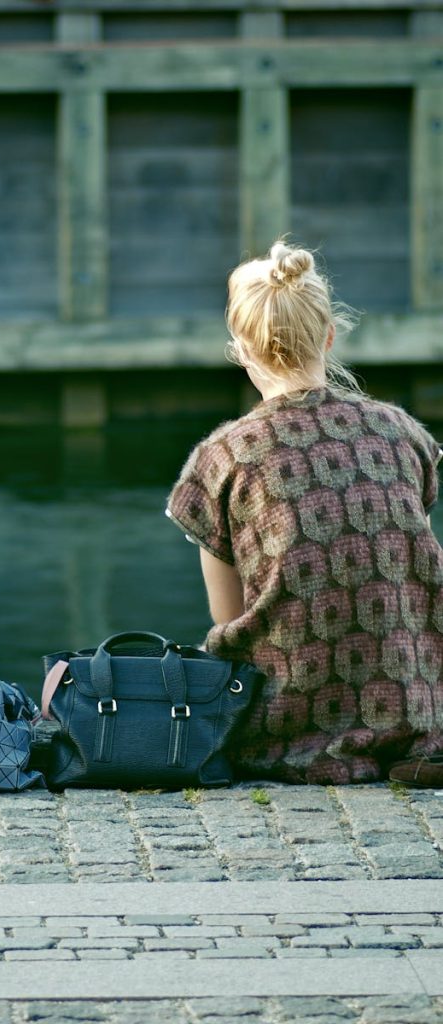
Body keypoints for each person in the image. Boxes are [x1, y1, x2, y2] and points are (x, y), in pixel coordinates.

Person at [167, 240, 443, 785]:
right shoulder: (403, 434)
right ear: (330, 336)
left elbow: (230, 622)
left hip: (287, 724)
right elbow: (415, 578)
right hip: (420, 707)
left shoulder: (222, 457)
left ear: (241, 350)